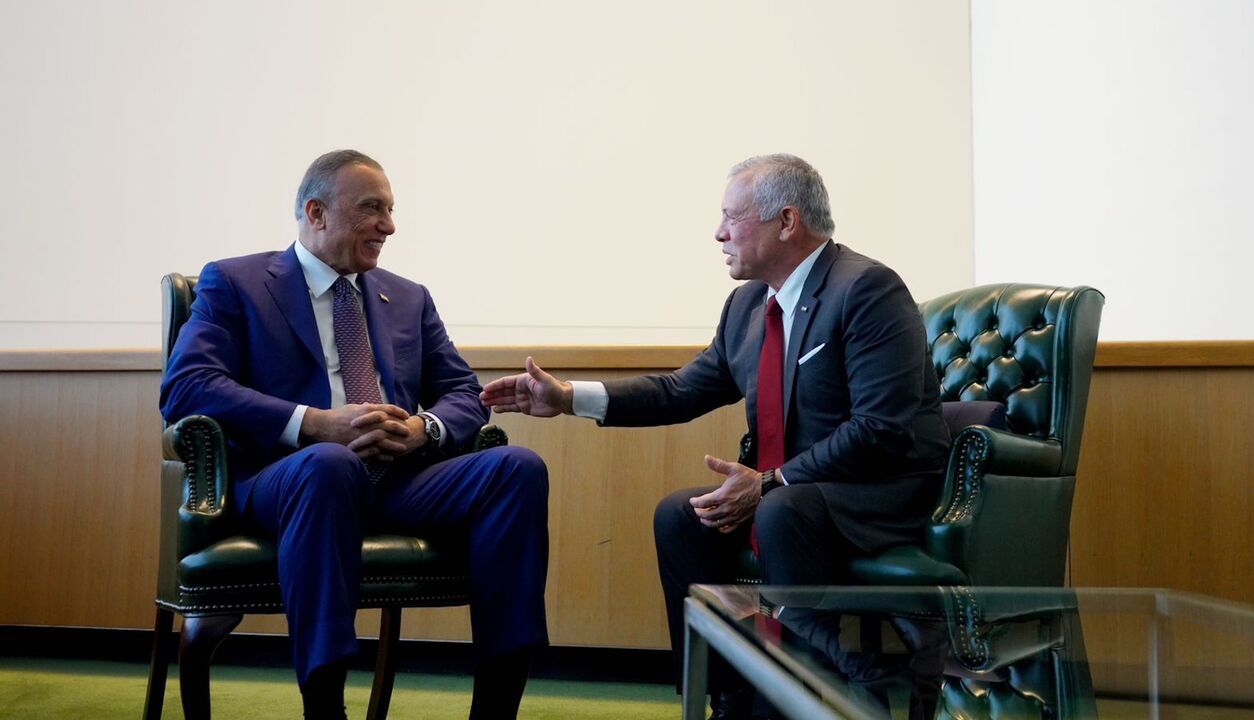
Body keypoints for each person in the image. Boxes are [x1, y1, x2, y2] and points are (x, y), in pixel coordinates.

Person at [479, 153, 949, 719]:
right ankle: (723, 699)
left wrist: (772, 482)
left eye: (732, 217)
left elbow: (882, 429)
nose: (719, 233)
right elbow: (682, 391)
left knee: (781, 510)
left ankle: (798, 697)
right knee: (683, 516)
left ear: (786, 221)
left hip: (879, 490)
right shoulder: (749, 304)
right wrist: (568, 397)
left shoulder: (867, 288)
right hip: (795, 492)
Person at [161, 149, 548, 720]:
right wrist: (314, 425)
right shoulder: (236, 282)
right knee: (328, 464)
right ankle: (325, 708)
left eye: (390, 210)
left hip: (399, 478)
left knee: (518, 468)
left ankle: (496, 708)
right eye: (372, 209)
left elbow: (465, 393)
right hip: (287, 479)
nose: (389, 226)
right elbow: (186, 387)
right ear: (315, 213)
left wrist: (423, 429)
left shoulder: (407, 295)